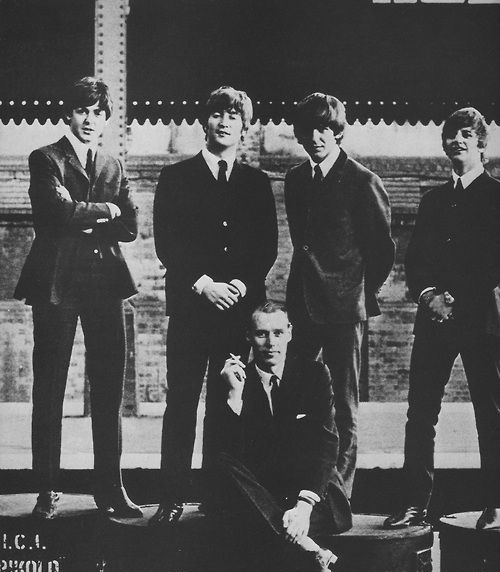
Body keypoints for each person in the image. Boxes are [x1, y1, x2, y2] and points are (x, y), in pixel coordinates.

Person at [196, 301, 352, 572]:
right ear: (249, 338)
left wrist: (302, 505)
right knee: (226, 465)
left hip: (311, 499)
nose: (270, 342)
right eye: (261, 334)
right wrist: (233, 399)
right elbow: (221, 454)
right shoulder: (233, 377)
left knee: (255, 541)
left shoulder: (314, 373)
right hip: (261, 497)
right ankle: (310, 552)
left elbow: (326, 444)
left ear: (290, 333)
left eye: (278, 332)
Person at [14, 76, 142, 520]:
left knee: (109, 389)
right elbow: (56, 213)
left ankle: (111, 488)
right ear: (69, 113)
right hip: (56, 282)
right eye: (83, 110)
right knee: (49, 387)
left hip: (105, 283)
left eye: (98, 112)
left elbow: (131, 227)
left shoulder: (113, 164)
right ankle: (47, 491)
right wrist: (105, 210)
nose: (90, 119)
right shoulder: (45, 158)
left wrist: (93, 214)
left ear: (107, 119)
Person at [152, 86, 278, 525]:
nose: (225, 122)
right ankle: (171, 497)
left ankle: (218, 497)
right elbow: (168, 243)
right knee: (182, 401)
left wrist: (240, 287)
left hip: (237, 314)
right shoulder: (175, 178)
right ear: (205, 122)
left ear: (244, 127)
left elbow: (267, 247)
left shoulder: (256, 183)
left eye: (234, 117)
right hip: (191, 311)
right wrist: (204, 284)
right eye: (218, 115)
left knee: (227, 403)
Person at [384, 107, 500, 531]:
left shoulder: (496, 195)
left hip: (481, 323)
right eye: (451, 135)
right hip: (434, 321)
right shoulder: (433, 200)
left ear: (482, 144)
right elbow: (415, 262)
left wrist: (459, 300)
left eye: (466, 135)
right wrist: (431, 295)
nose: (457, 141)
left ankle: (495, 505)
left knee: (492, 413)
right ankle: (415, 505)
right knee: (420, 414)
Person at [285, 92, 394, 498]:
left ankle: (338, 496)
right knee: (297, 396)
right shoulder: (296, 180)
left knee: (344, 405)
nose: (316, 137)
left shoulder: (364, 181)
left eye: (325, 128)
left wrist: (355, 293)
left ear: (338, 132)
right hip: (302, 307)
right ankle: (301, 486)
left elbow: (382, 252)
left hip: (346, 311)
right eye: (308, 129)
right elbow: (303, 242)